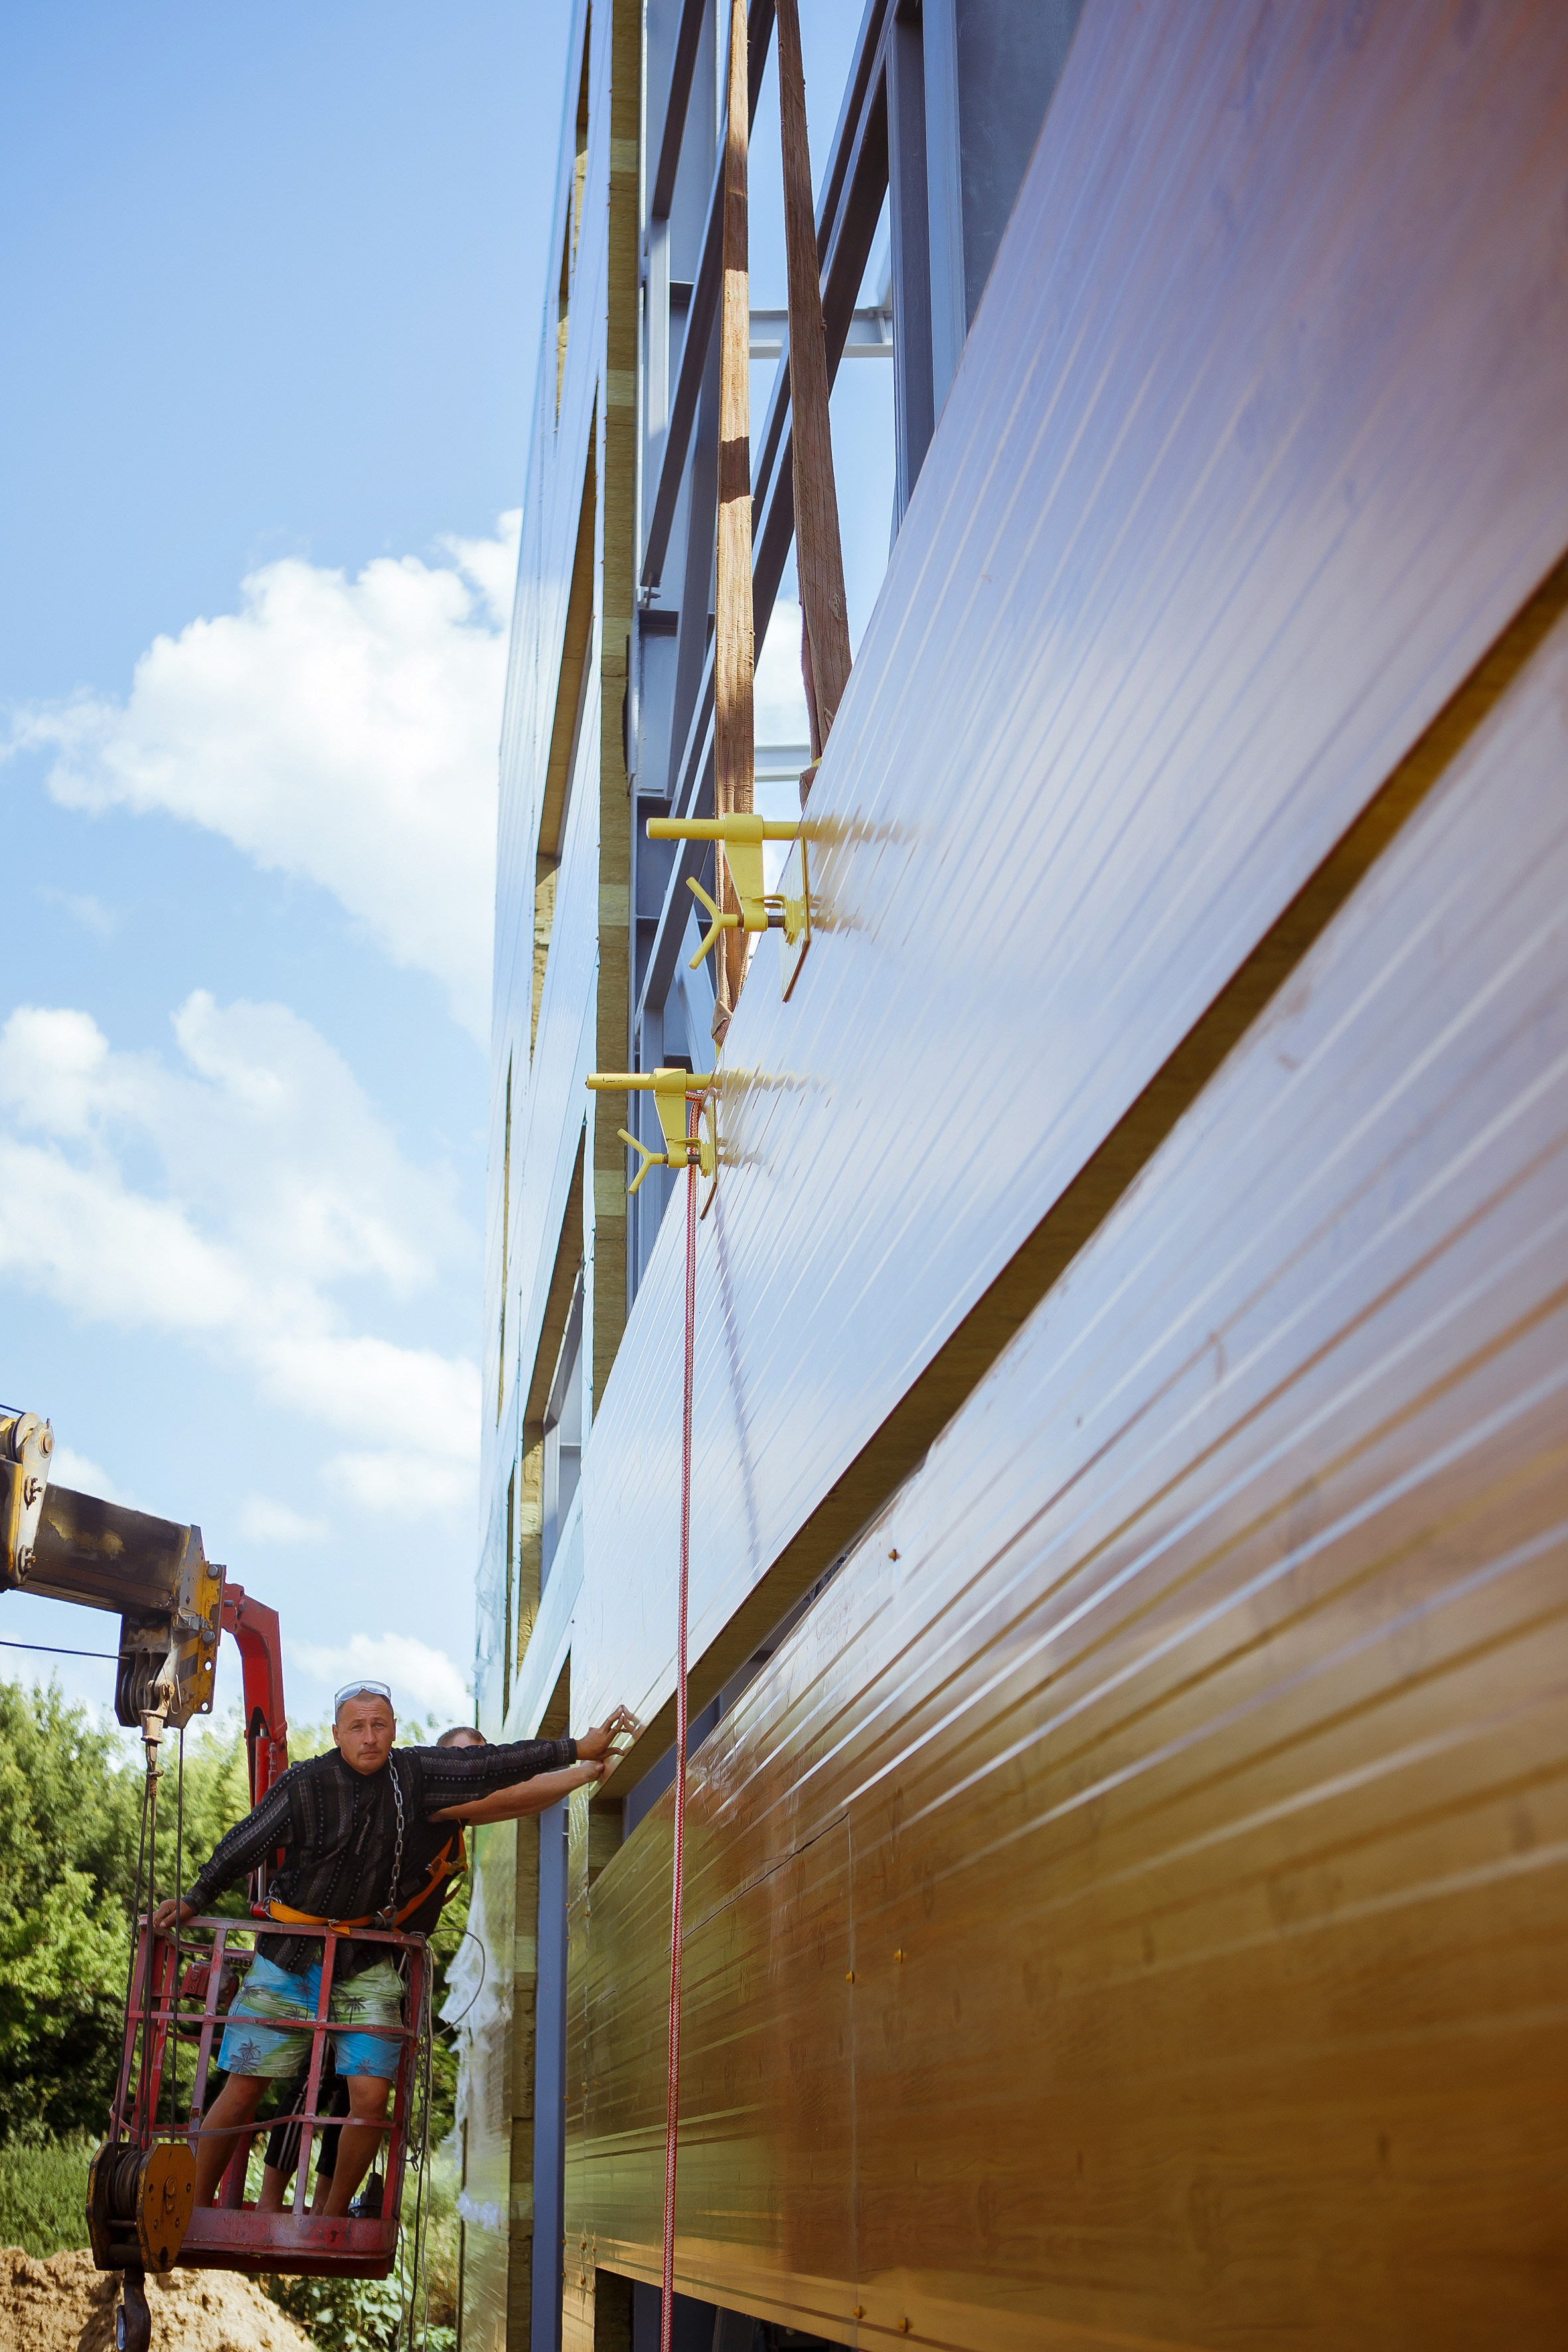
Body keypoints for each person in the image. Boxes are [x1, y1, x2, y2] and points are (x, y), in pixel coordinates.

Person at [153, 1683, 635, 2215]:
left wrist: (578, 1751)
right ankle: (192, 2209)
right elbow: (247, 1840)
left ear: (395, 1729)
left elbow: (496, 1768)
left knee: (367, 2096)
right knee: (246, 2084)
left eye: (379, 1724)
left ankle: (331, 2216)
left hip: (365, 1957)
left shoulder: (418, 1777)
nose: (369, 1736)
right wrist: (197, 1894)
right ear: (337, 1733)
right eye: (357, 1727)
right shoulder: (307, 1783)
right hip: (291, 1952)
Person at [254, 1719, 583, 2214]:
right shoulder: (435, 1802)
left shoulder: (456, 1823)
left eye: (480, 1759)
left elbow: (513, 1797)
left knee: (353, 2094)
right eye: (463, 1761)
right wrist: (586, 1768)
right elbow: (513, 1797)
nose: (473, 1770)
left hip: (387, 1970)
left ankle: (325, 2209)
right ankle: (269, 2202)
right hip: (353, 1962)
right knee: (314, 2081)